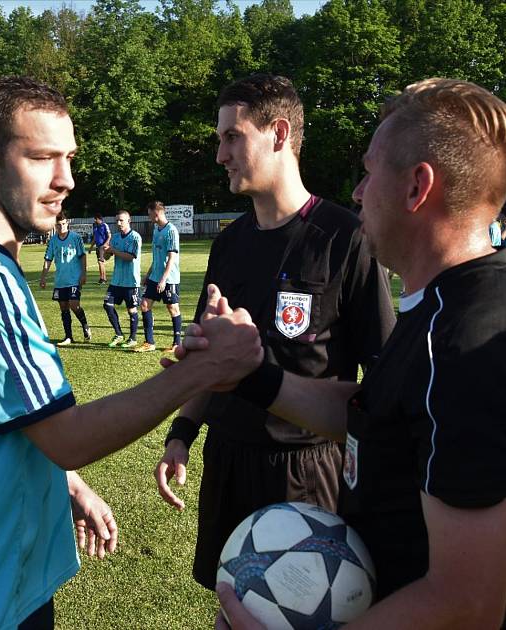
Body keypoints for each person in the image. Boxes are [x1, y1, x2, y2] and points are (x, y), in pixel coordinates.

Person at [0, 76, 263, 630]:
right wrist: (208, 366)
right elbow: (68, 437)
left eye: (69, 158)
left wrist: (67, 485)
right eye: (42, 158)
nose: (67, 180)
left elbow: (2, 417)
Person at [193, 78, 506, 629]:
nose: (356, 192)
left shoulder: (479, 341)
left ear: (417, 187)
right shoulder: (443, 306)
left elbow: (465, 604)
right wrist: (251, 374)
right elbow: (378, 417)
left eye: (370, 172)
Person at [154, 74, 396, 591]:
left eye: (232, 137)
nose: (220, 154)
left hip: (307, 467)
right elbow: (210, 359)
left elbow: (383, 378)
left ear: (279, 133)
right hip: (228, 456)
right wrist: (182, 434)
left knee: (303, 612)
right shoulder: (229, 244)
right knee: (233, 604)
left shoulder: (346, 237)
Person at [134, 200, 183, 353]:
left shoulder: (171, 231)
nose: (148, 217)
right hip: (155, 276)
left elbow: (171, 258)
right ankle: (149, 342)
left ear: (156, 213)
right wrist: (148, 275)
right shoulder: (156, 229)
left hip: (169, 278)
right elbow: (157, 256)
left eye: (149, 214)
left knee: (172, 308)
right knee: (144, 305)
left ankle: (177, 343)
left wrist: (163, 279)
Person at [39, 211, 91, 345]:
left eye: (63, 224)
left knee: (74, 305)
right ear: (55, 226)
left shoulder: (76, 238)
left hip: (74, 279)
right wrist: (43, 277)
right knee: (63, 307)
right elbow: (48, 259)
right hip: (60, 280)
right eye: (58, 225)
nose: (61, 227)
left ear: (67, 223)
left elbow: (82, 256)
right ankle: (68, 337)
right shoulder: (53, 241)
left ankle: (85, 325)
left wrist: (84, 274)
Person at [101, 210, 142, 348]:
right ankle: (119, 334)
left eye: (121, 220)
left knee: (132, 310)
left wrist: (113, 250)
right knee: (107, 304)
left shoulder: (135, 237)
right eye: (117, 221)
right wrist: (105, 252)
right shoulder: (115, 238)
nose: (118, 223)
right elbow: (107, 257)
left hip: (131, 281)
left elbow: (130, 257)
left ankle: (133, 338)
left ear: (129, 221)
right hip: (116, 281)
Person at [89, 213, 111, 284]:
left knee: (100, 262)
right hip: (98, 247)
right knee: (101, 263)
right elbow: (95, 238)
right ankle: (103, 278)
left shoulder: (104, 225)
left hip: (102, 247)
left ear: (99, 219)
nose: (94, 220)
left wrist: (105, 244)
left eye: (96, 219)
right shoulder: (95, 226)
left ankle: (102, 279)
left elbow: (109, 236)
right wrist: (91, 247)